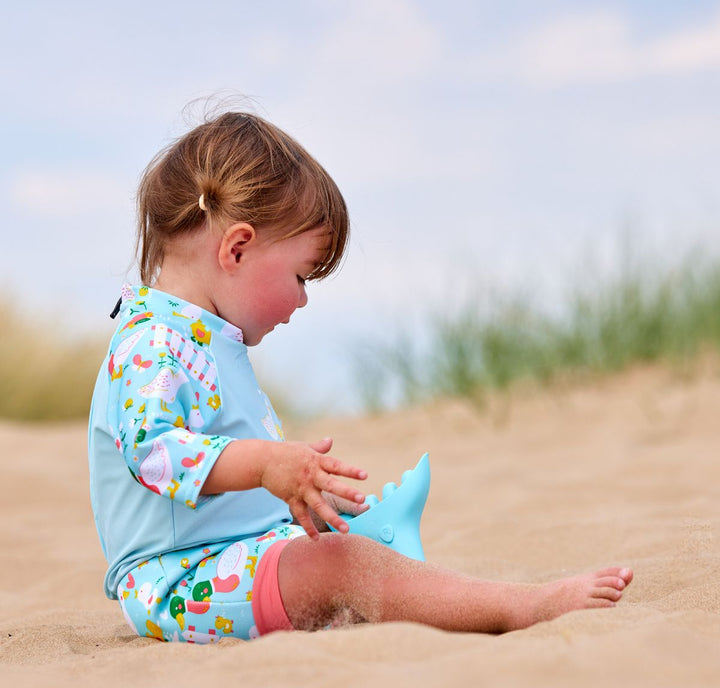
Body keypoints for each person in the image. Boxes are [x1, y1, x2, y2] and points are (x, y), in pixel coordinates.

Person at [88, 110, 633, 643]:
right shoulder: (153, 343)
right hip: (180, 583)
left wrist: (313, 497)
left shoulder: (206, 340)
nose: (302, 300)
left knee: (348, 543)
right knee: (343, 565)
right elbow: (153, 452)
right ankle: (521, 606)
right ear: (237, 247)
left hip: (235, 556)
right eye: (301, 276)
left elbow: (229, 489)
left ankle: (382, 559)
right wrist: (269, 463)